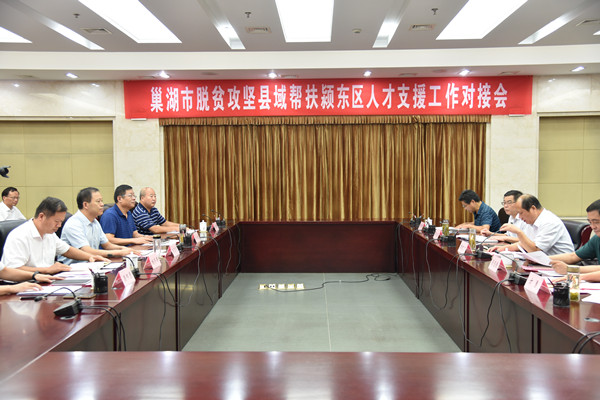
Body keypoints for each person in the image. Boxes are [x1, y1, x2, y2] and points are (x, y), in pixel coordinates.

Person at [1, 197, 108, 274]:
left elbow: (67, 250)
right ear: (41, 216)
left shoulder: (49, 233)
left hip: (45, 281)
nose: (59, 225)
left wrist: (90, 257)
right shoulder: (19, 235)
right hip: (22, 286)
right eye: (56, 221)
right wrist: (47, 270)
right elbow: (13, 269)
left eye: (61, 221)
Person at [59, 187, 139, 265]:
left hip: (93, 264)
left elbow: (107, 245)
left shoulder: (95, 222)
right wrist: (119, 252)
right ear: (85, 205)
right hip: (74, 269)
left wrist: (125, 249)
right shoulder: (74, 224)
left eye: (102, 201)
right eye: (98, 201)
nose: (102, 204)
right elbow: (87, 251)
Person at [490, 194, 574, 256]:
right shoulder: (531, 221)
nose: (519, 217)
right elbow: (524, 244)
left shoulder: (549, 222)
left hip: (561, 266)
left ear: (533, 208)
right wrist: (503, 249)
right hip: (542, 262)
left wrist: (519, 232)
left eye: (521, 213)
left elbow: (535, 251)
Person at [550, 199, 600, 281]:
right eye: (590, 222)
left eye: (596, 222)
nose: (593, 227)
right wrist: (541, 259)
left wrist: (570, 270)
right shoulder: (597, 238)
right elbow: (573, 256)